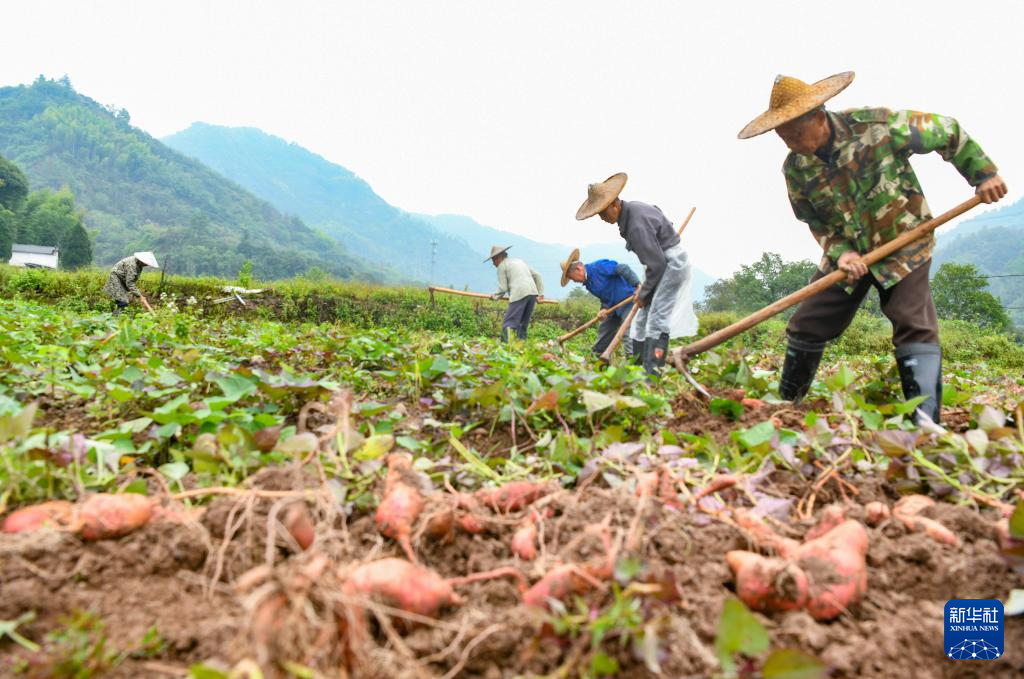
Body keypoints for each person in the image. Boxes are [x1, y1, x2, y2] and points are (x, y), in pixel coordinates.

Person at [737, 71, 1007, 423]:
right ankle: (787, 406)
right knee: (807, 323)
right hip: (850, 256)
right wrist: (841, 253)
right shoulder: (796, 169)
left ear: (818, 117)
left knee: (913, 324)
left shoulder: (877, 127)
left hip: (902, 245)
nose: (790, 143)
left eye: (795, 133)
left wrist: (983, 175)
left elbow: (948, 130)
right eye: (782, 136)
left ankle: (925, 423)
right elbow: (814, 222)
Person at [575, 173, 694, 376]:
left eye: (603, 214)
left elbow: (657, 265)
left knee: (655, 320)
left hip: (670, 268)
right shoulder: (634, 211)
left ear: (614, 205)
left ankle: (652, 374)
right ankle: (640, 370)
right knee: (641, 322)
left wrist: (643, 292)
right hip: (662, 266)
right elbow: (659, 217)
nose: (602, 219)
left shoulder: (636, 225)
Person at [560, 248, 639, 358]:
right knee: (604, 332)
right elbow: (605, 298)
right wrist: (603, 309)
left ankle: (633, 363)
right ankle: (597, 360)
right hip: (613, 308)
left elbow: (623, 268)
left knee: (627, 332)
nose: (575, 281)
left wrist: (638, 286)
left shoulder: (599, 267)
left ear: (578, 269)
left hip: (628, 300)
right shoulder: (588, 284)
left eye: (573, 278)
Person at [487, 245, 544, 341]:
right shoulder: (519, 261)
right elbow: (537, 275)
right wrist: (540, 294)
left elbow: (503, 288)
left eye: (493, 260)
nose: (493, 263)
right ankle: (522, 351)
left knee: (508, 324)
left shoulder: (502, 266)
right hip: (532, 293)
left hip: (519, 293)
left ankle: (506, 351)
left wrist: (494, 296)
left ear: (498, 258)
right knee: (522, 325)